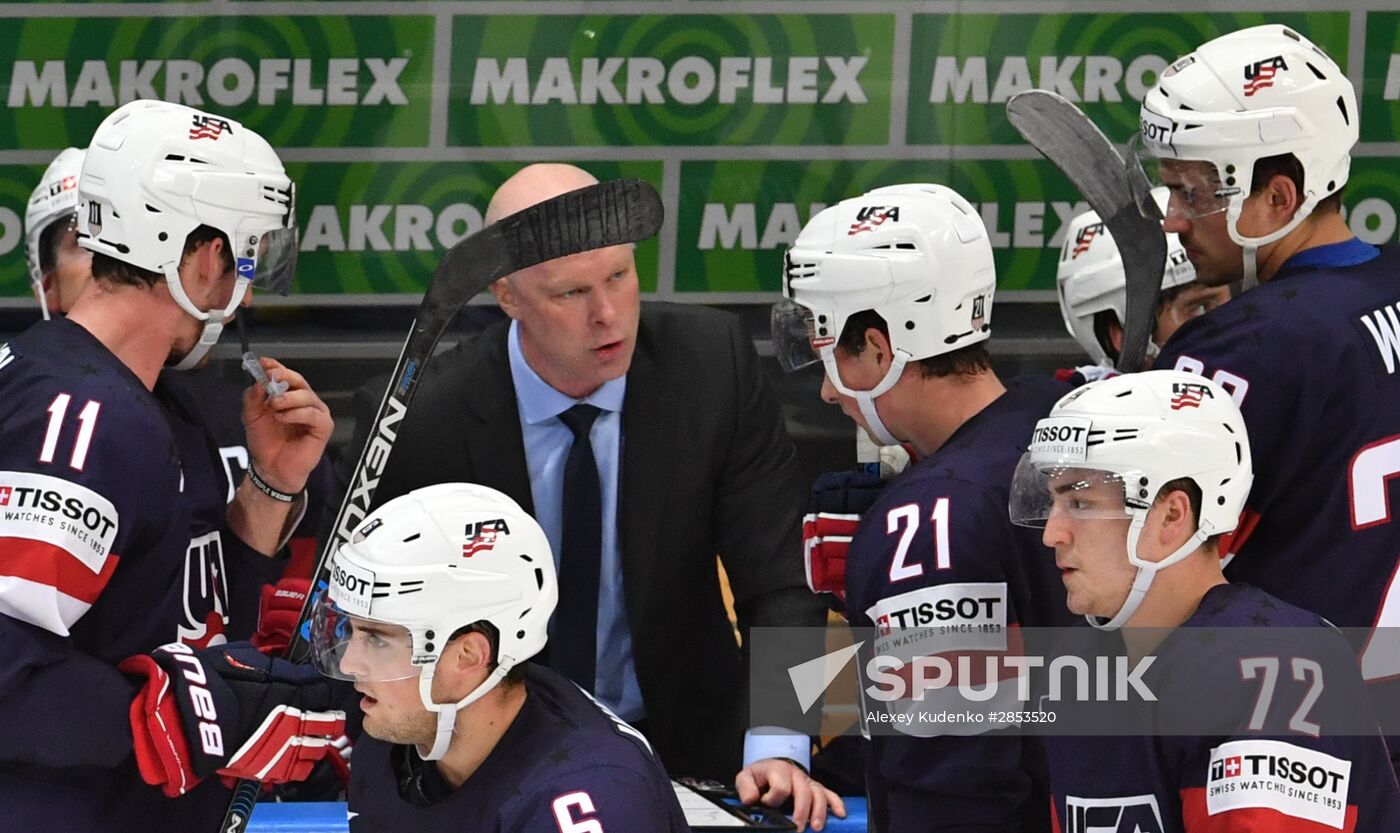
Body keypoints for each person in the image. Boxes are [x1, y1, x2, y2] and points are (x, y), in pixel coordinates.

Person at [351, 163, 836, 825]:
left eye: (619, 275)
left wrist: (780, 744)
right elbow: (367, 617)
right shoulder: (423, 412)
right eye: (571, 291)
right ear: (508, 296)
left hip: (693, 751)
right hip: (493, 763)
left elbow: (780, 575)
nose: (607, 313)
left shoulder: (711, 364)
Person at [0, 99, 343, 831]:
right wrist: (181, 715)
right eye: (249, 255)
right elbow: (7, 672)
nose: (244, 288)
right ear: (205, 255)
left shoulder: (155, 403)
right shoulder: (83, 414)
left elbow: (186, 623)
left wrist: (269, 488)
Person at [772, 182, 1076, 832]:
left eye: (830, 350)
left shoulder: (930, 521)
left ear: (880, 349)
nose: (826, 390)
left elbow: (950, 778)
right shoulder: (1056, 413)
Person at [1135, 24, 1400, 723]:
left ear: (1278, 199)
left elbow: (1136, 574)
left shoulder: (1244, 347)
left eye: (1193, 193)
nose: (1174, 221)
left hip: (1287, 743)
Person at [1009, 370, 1400, 830]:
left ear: (1172, 515)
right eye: (1054, 502)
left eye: (1080, 504)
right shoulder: (1080, 662)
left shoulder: (1271, 670)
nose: (1053, 533)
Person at [308, 482, 689, 831]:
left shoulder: (589, 798)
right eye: (350, 631)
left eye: (377, 640)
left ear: (468, 655)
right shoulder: (398, 725)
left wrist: (756, 730)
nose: (348, 664)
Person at [23, 146, 331, 577]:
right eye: (87, 239)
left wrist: (271, 485)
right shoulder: (37, 406)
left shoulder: (190, 415)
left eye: (128, 235)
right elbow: (20, 637)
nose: (111, 256)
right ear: (48, 285)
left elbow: (209, 617)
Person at [1055, 187, 1230, 376]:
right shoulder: (1074, 405)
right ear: (1122, 336)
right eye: (1200, 307)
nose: (1234, 323)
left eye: (1235, 304)